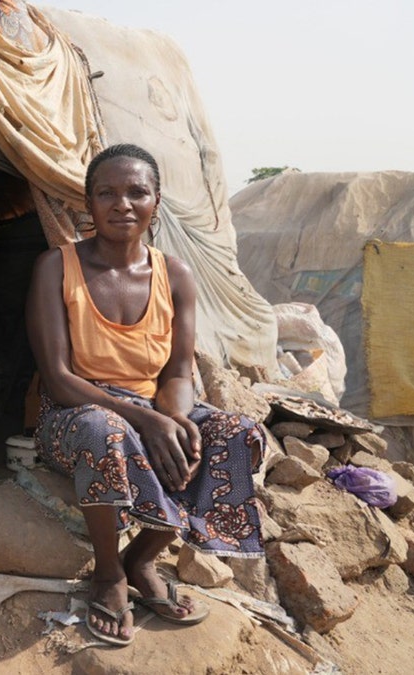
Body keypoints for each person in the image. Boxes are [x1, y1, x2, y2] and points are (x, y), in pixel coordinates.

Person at [25, 143, 264, 647]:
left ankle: (142, 558)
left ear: (156, 200)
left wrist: (175, 421)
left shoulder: (174, 275)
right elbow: (58, 378)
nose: (123, 204)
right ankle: (108, 571)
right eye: (106, 193)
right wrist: (146, 421)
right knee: (103, 429)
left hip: (152, 405)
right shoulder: (56, 267)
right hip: (76, 411)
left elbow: (178, 371)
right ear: (88, 204)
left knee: (235, 434)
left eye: (137, 192)